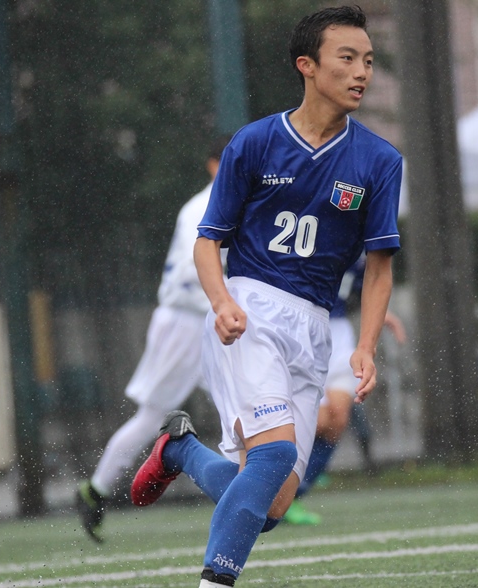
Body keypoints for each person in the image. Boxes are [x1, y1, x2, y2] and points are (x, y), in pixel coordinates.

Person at [130, 7, 402, 587]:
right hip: (252, 313)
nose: (362, 72)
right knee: (274, 456)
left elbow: (380, 267)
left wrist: (366, 346)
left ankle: (179, 450)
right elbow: (208, 241)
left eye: (368, 61)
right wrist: (223, 302)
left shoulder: (380, 161)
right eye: (347, 58)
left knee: (273, 505)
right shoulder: (254, 143)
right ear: (308, 66)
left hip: (315, 329)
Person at [75, 137, 229, 542]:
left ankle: (260, 489)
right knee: (153, 414)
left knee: (239, 403)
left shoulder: (238, 200)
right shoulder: (202, 206)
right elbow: (198, 267)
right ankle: (95, 490)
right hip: (188, 321)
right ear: (213, 165)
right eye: (230, 159)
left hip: (211, 320)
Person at [283, 258, 407, 526]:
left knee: (337, 421)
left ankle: (292, 496)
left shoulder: (358, 251)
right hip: (301, 331)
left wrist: (380, 314)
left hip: (338, 333)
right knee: (317, 421)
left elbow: (365, 284)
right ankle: (272, 488)